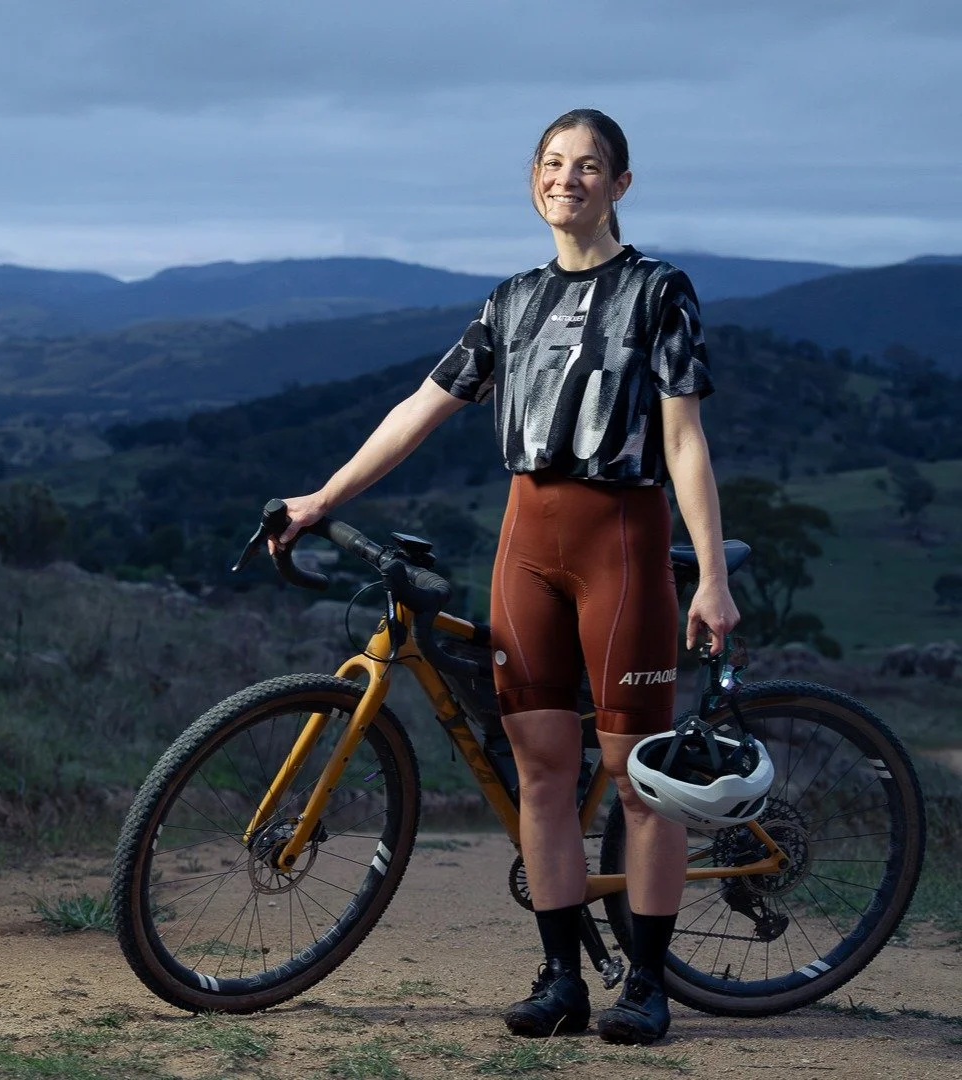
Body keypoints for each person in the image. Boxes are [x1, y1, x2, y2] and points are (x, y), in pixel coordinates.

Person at [272, 107, 739, 1045]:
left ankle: (646, 986)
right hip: (527, 539)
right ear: (534, 179)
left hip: (625, 539)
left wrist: (712, 577)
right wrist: (322, 498)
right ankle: (562, 977)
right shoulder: (510, 300)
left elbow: (685, 441)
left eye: (590, 165)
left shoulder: (658, 291)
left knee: (636, 777)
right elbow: (421, 407)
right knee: (539, 769)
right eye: (554, 163)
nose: (568, 179)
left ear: (620, 184)